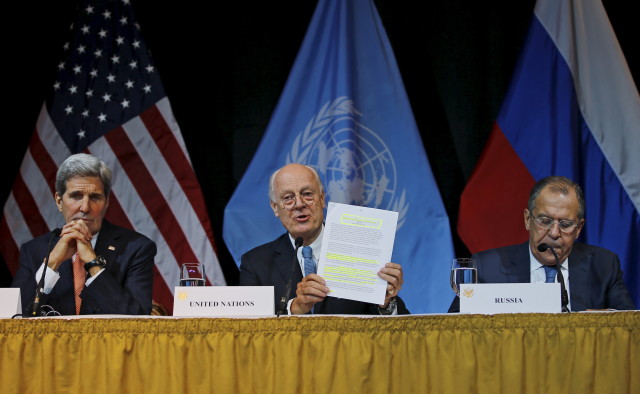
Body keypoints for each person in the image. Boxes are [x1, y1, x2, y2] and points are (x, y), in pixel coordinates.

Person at [239, 163, 409, 315]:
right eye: (288, 198)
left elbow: (399, 332)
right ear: (275, 207)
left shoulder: (360, 248)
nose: (299, 204)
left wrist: (386, 302)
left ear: (322, 199)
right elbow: (252, 333)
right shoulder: (255, 263)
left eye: (307, 194)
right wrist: (294, 309)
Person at [449, 176, 635, 312]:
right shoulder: (488, 267)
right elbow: (454, 330)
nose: (554, 233)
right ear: (528, 220)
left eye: (565, 224)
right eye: (545, 221)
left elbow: (629, 327)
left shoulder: (603, 264)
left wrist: (604, 321)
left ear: (579, 228)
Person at [11, 153, 156, 315]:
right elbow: (13, 318)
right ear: (59, 201)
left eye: (94, 197)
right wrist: (51, 264)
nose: (85, 207)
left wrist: (93, 264)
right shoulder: (33, 251)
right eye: (76, 196)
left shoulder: (136, 248)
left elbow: (138, 319)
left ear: (106, 202)